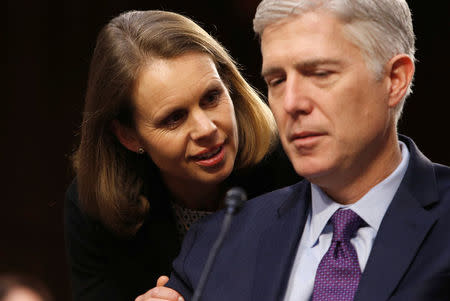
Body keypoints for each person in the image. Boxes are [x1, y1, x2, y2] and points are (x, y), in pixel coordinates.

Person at [148, 0, 450, 300]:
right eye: (277, 80)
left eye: (320, 74)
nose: (290, 103)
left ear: (394, 79)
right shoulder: (216, 244)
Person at [64, 9, 300, 301]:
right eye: (174, 118)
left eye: (211, 98)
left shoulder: (294, 164)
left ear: (228, 84)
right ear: (128, 135)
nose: (206, 129)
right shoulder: (96, 208)